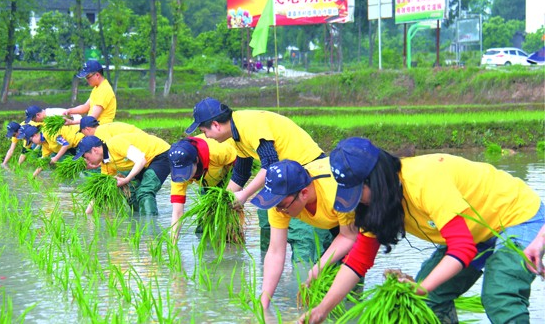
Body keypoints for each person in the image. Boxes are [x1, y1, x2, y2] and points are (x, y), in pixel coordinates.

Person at [298, 137, 544, 324]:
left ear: (375, 180)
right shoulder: (379, 203)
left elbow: (462, 248)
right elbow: (358, 261)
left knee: (500, 295)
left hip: (516, 215)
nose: (357, 202)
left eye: (357, 193)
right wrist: (322, 310)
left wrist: (423, 285)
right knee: (427, 302)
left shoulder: (424, 180)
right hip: (476, 229)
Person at [185, 97, 333, 262]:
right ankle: (269, 266)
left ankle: (305, 269)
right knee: (265, 215)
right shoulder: (235, 135)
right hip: (281, 177)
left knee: (301, 231)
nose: (206, 136)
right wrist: (223, 200)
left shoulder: (249, 125)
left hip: (304, 172)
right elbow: (242, 172)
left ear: (216, 125)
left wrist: (244, 195)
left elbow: (270, 163)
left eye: (205, 131)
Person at [251, 158, 357, 309]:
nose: (278, 211)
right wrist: (263, 303)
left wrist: (317, 268)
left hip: (365, 204)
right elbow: (275, 252)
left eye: (281, 205)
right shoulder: (280, 205)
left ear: (304, 193)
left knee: (350, 287)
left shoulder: (336, 192)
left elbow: (349, 236)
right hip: (336, 219)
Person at [73, 134, 170, 215]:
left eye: (86, 157)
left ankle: (150, 231)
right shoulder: (106, 164)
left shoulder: (115, 143)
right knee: (131, 195)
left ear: (95, 150)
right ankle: (140, 222)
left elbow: (141, 159)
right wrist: (87, 215)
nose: (86, 161)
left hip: (160, 154)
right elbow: (100, 193)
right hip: (146, 162)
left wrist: (127, 179)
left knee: (145, 191)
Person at [168, 135, 237, 241]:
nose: (185, 178)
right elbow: (177, 212)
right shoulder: (178, 175)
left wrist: (230, 192)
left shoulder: (217, 150)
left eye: (187, 171)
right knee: (203, 226)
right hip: (206, 181)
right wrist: (172, 243)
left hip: (229, 173)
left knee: (229, 224)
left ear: (196, 160)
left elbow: (241, 166)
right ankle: (207, 252)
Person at [19, 124, 84, 178]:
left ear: (35, 135)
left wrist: (56, 158)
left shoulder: (49, 133)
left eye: (31, 141)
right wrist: (33, 177)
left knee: (84, 167)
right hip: (74, 146)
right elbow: (43, 162)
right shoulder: (45, 145)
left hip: (82, 139)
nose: (33, 144)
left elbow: (65, 144)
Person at [63, 60, 117, 125]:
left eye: (88, 77)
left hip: (100, 129)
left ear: (97, 75)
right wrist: (70, 111)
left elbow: (92, 118)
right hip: (91, 127)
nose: (87, 80)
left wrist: (73, 122)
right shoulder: (97, 88)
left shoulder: (104, 90)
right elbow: (86, 107)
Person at [79, 116, 144, 141]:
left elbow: (109, 149)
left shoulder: (99, 132)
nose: (85, 136)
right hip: (140, 137)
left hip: (140, 140)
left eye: (83, 132)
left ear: (87, 129)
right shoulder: (103, 128)